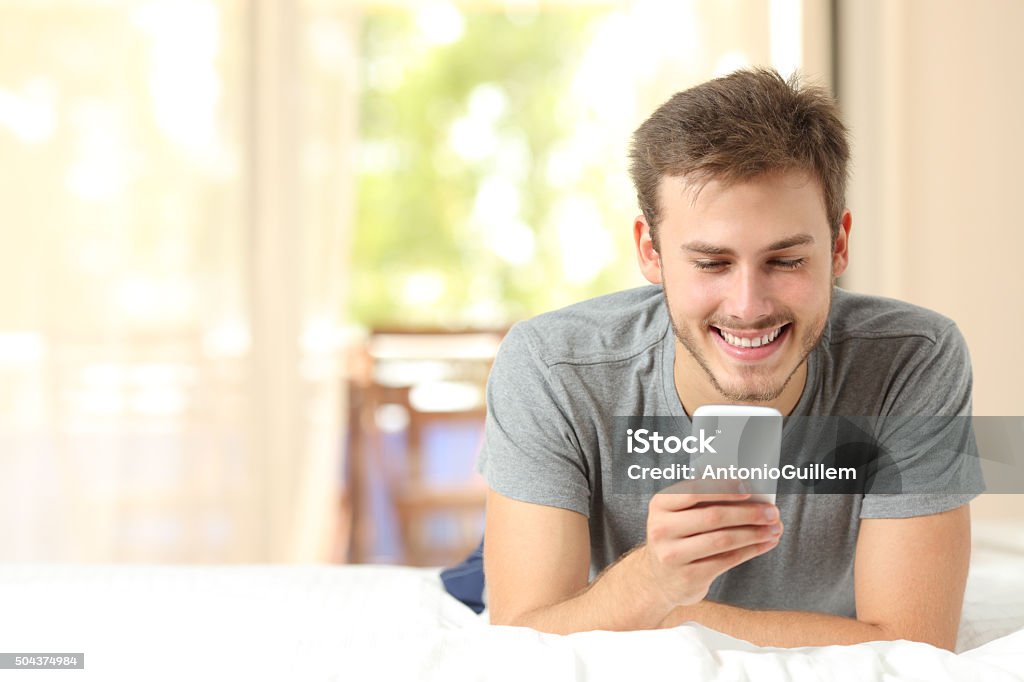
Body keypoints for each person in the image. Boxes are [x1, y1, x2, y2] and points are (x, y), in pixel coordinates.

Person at [477, 68, 981, 650]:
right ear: (651, 251)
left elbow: (914, 644)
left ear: (839, 245)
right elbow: (521, 637)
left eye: (786, 261)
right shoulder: (550, 367)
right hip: (591, 558)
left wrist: (670, 612)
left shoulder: (914, 360)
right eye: (712, 263)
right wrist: (653, 578)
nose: (748, 307)